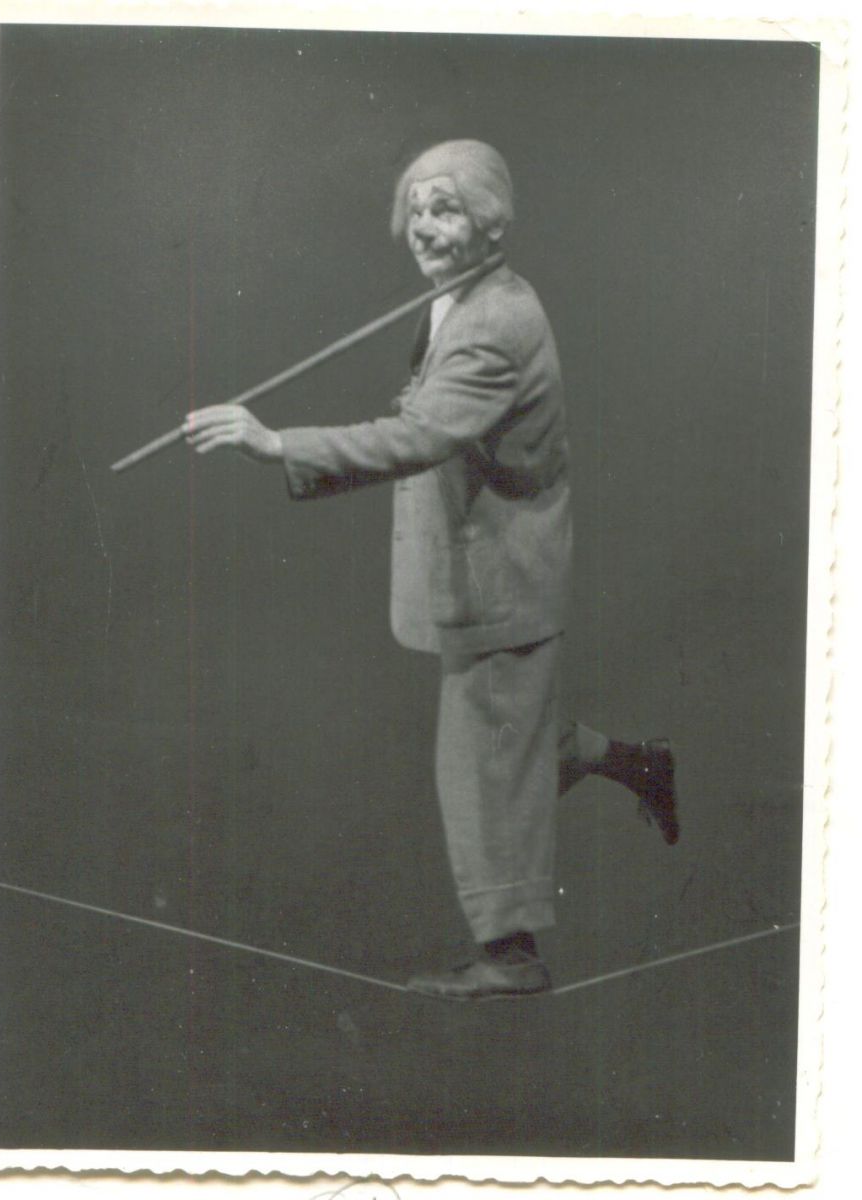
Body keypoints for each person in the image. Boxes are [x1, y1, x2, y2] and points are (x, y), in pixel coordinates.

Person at [184, 140, 678, 1001]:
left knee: (481, 769)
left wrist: (275, 443)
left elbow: (419, 435)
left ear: (491, 221)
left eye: (444, 209)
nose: (423, 227)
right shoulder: (461, 298)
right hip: (481, 566)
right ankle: (640, 764)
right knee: (511, 734)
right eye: (415, 210)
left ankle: (511, 956)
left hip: (501, 577)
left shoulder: (493, 323)